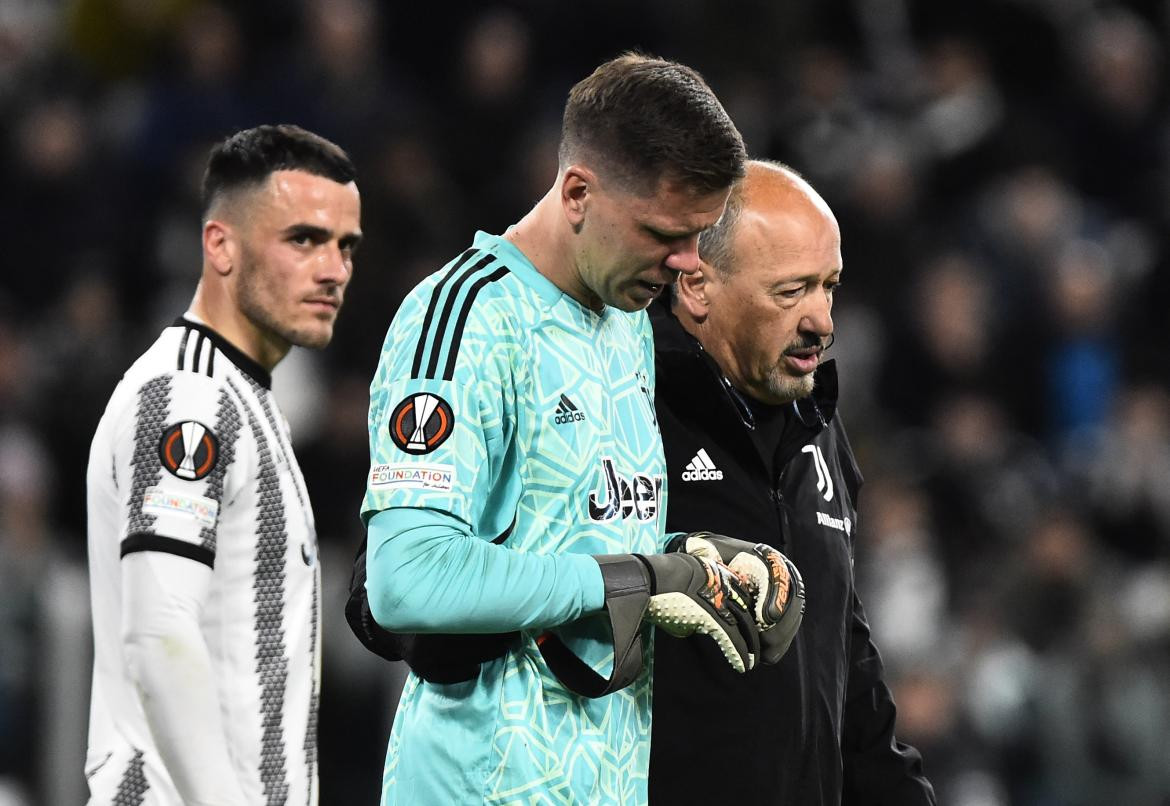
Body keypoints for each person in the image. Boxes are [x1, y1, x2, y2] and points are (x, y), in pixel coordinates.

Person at [355, 54, 802, 805]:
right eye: (665, 232)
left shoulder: (625, 318)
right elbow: (404, 579)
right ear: (577, 192)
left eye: (699, 234)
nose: (687, 262)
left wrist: (691, 564)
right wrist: (626, 579)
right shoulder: (465, 318)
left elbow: (562, 542)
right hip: (483, 781)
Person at [85, 124, 361, 805]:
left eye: (344, 246)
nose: (333, 270)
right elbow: (159, 632)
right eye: (304, 239)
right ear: (221, 246)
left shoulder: (245, 400)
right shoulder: (192, 397)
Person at [647, 160, 936, 804]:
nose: (821, 322)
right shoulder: (629, 406)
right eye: (790, 292)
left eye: (828, 287)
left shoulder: (816, 427)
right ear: (696, 286)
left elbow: (842, 648)